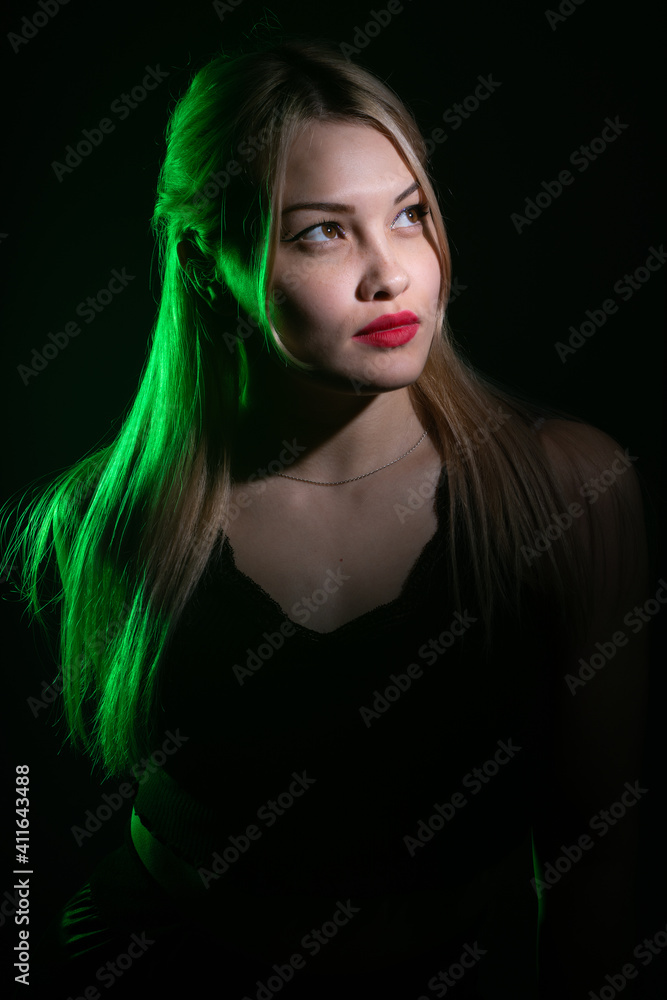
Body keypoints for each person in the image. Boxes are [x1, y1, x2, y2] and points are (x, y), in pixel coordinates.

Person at [3, 37, 649, 999]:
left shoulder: (563, 490)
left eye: (408, 215)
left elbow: (603, 851)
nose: (389, 275)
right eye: (320, 232)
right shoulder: (101, 520)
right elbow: (32, 828)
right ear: (207, 262)